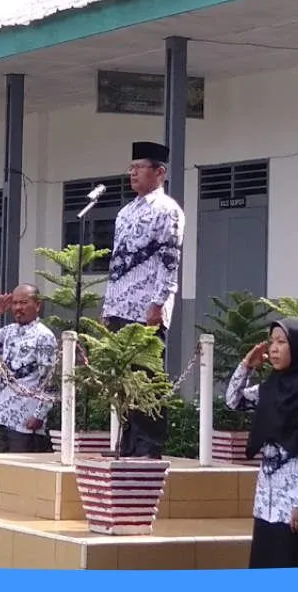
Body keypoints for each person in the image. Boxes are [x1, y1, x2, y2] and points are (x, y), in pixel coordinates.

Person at [101, 141, 185, 459]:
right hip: (121, 303)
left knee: (148, 375)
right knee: (124, 375)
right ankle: (128, 443)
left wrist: (158, 302)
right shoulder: (125, 212)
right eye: (131, 167)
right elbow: (117, 262)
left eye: (140, 167)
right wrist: (108, 306)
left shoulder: (168, 210)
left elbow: (169, 260)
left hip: (147, 306)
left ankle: (149, 445)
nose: (133, 173)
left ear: (159, 171)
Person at [225, 317, 298, 568]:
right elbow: (233, 400)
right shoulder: (269, 390)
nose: (273, 348)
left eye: (282, 342)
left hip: (297, 508)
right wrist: (246, 365)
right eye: (271, 341)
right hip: (267, 505)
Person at [0, 284, 59, 453]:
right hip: (2, 417)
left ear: (38, 305)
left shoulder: (44, 336)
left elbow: (50, 379)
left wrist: (39, 415)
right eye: (15, 303)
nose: (18, 308)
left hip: (26, 421)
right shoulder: (9, 331)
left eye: (24, 303)